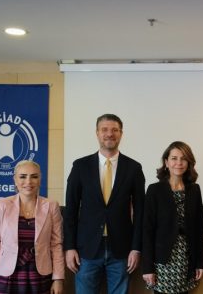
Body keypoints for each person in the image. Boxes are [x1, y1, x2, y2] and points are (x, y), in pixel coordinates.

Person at [64, 113, 145, 294]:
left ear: (121, 134)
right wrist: (69, 247)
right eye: (105, 129)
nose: (110, 134)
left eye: (115, 130)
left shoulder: (133, 168)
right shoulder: (80, 166)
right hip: (86, 249)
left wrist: (136, 248)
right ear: (97, 133)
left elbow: (141, 213)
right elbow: (70, 211)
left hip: (122, 250)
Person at [0, 160, 64, 294]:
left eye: (34, 176)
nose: (28, 181)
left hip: (40, 275)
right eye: (22, 176)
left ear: (40, 180)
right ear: (15, 180)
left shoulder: (52, 206)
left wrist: (58, 279)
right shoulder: (1, 205)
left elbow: (56, 245)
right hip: (7, 276)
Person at [142, 141, 203, 293]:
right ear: (166, 162)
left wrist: (200, 263)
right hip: (162, 260)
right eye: (174, 158)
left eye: (183, 159)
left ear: (188, 163)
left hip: (187, 258)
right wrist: (147, 268)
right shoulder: (154, 190)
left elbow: (199, 230)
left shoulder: (194, 190)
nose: (179, 163)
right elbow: (147, 231)